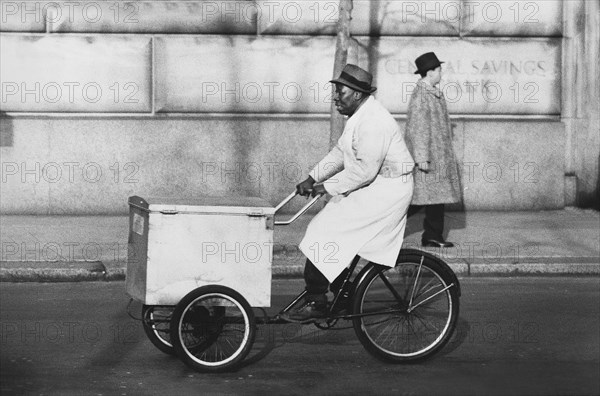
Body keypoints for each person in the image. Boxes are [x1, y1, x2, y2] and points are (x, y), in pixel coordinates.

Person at [281, 64, 415, 323]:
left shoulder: (374, 121)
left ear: (356, 94)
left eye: (340, 92)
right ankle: (342, 293)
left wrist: (323, 187)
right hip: (374, 186)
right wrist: (312, 178)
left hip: (388, 190)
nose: (335, 98)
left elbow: (365, 171)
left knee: (326, 229)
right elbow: (341, 153)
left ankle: (318, 300)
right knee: (324, 228)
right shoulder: (359, 117)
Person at [405, 52, 461, 248]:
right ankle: (382, 227)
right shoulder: (421, 95)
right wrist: (421, 156)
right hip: (429, 156)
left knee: (436, 197)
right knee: (417, 200)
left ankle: (433, 235)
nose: (441, 74)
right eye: (438, 70)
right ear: (429, 73)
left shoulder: (432, 92)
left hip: (437, 155)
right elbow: (417, 126)